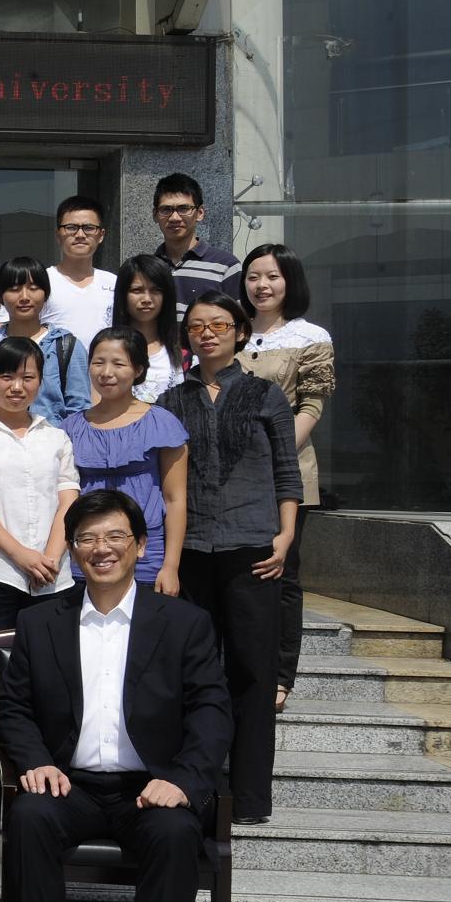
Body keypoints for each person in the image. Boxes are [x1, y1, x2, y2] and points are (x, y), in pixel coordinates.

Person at [0, 488, 232, 902]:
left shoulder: (185, 623)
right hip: (69, 783)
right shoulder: (39, 622)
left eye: (114, 537)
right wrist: (36, 762)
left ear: (140, 546)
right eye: (87, 539)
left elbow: (212, 711)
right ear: (74, 550)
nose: (101, 549)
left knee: (176, 834)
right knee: (28, 818)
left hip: (148, 787)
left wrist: (184, 779)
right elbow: (14, 709)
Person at [159, 292, 300, 826]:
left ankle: (250, 796)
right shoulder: (173, 400)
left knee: (253, 672)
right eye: (197, 326)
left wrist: (285, 536)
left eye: (219, 324)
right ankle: (195, 788)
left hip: (253, 547)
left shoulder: (265, 394)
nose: (208, 333)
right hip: (192, 549)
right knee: (193, 672)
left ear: (240, 331)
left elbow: (287, 472)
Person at [0, 337, 81, 671]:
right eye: (6, 377)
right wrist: (20, 554)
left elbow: (68, 502)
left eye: (28, 377)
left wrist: (50, 558)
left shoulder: (55, 437)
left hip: (52, 578)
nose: (17, 387)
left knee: (51, 672)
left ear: (41, 380)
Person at [240, 243, 334, 712]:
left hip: (287, 473)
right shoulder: (232, 329)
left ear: (290, 281)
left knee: (283, 577)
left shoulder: (310, 337)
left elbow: (311, 406)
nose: (262, 285)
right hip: (234, 477)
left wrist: (270, 455)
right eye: (254, 276)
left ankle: (280, 676)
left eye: (272, 276)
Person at [66, 328, 188, 593]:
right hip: (86, 553)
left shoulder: (162, 423)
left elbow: (175, 499)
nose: (106, 372)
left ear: (138, 369)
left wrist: (171, 566)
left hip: (145, 553)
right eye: (98, 362)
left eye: (118, 364)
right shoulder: (71, 428)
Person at [0, 258, 92, 420]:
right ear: (0, 297)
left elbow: (78, 409)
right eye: (14, 289)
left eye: (33, 288)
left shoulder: (66, 346)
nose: (24, 297)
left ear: (46, 294)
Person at [151, 173, 242, 315]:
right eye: (166, 210)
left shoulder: (226, 266)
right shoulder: (149, 268)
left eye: (184, 209)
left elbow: (238, 320)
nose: (174, 217)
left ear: (200, 213)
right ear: (155, 215)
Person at [42, 196, 118, 347]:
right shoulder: (41, 281)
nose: (80, 235)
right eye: (71, 227)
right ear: (58, 235)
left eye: (89, 228)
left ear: (101, 235)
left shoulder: (115, 283)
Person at [113, 254, 188, 404]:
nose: (147, 299)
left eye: (156, 290)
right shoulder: (107, 348)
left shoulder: (185, 352)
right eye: (137, 290)